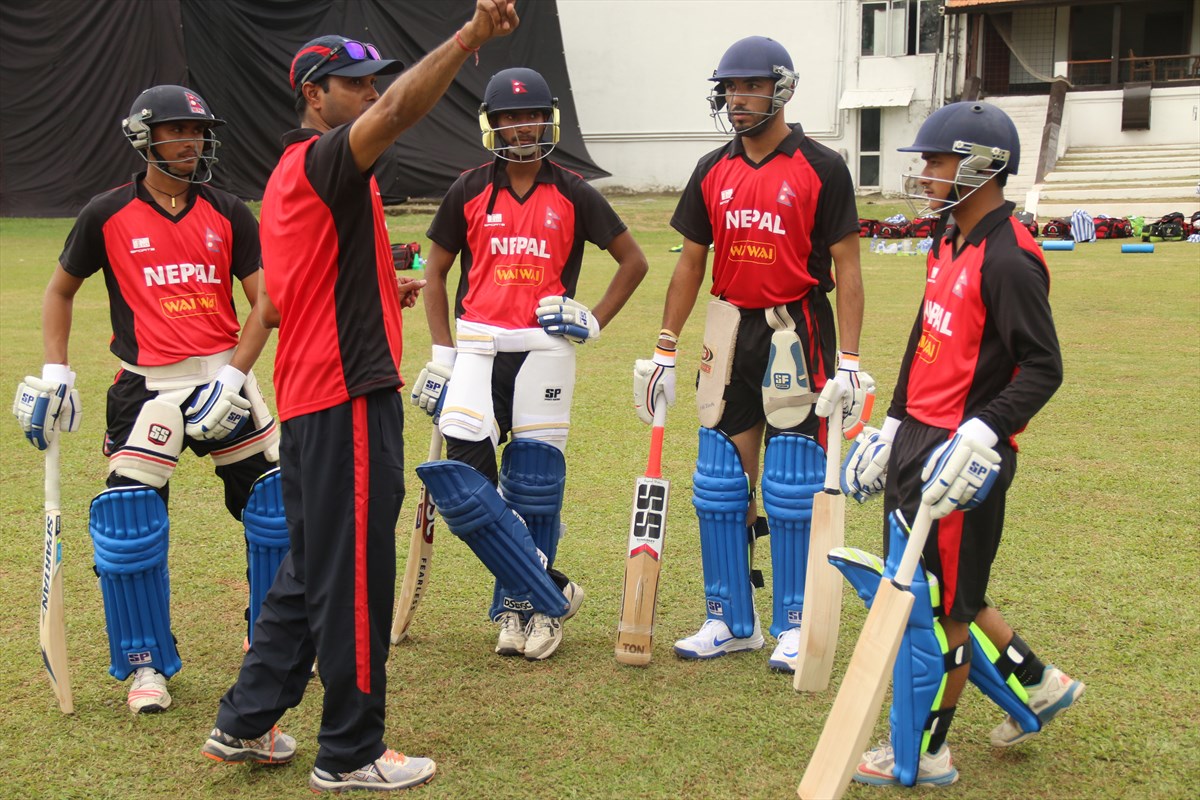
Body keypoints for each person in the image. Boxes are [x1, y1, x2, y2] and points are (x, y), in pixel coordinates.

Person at [199, 2, 520, 793]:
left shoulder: (293, 178)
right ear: (314, 95)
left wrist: (385, 287)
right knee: (355, 576)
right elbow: (400, 110)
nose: (371, 92)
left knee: (315, 566)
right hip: (345, 399)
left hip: (317, 397)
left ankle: (244, 720)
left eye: (373, 80)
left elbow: (292, 296)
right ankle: (349, 752)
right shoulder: (323, 159)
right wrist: (468, 39)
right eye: (354, 84)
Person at [12, 84, 282, 715]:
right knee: (130, 526)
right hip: (144, 387)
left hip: (222, 380)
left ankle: (274, 640)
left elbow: (265, 304)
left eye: (199, 131)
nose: (193, 142)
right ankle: (146, 665)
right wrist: (56, 372)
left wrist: (233, 378)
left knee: (276, 513)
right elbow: (60, 290)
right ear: (144, 137)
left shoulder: (229, 211)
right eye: (178, 130)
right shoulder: (105, 213)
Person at [842, 101, 1084, 788]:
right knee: (945, 592)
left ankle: (926, 750)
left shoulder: (1011, 259)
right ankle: (1038, 682)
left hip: (962, 455)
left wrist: (983, 430)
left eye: (936, 160)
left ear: (982, 166)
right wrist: (894, 423)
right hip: (919, 439)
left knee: (940, 612)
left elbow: (1043, 368)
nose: (924, 173)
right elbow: (926, 339)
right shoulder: (947, 236)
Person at [632, 36, 870, 671]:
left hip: (796, 327)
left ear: (781, 88)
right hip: (727, 329)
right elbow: (690, 262)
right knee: (720, 482)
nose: (738, 99)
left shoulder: (822, 167)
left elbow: (848, 268)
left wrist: (849, 361)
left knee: (791, 481)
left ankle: (794, 622)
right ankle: (731, 619)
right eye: (730, 88)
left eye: (752, 86)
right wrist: (665, 348)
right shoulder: (712, 168)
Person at [413, 67, 647, 661]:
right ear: (493, 124)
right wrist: (442, 356)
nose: (522, 127)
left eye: (532, 116)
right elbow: (434, 272)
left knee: (535, 489)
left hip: (545, 351)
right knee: (464, 489)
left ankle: (527, 610)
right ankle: (553, 587)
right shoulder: (468, 189)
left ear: (548, 120)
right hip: (476, 347)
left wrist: (594, 318)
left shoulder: (573, 191)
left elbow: (634, 262)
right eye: (510, 117)